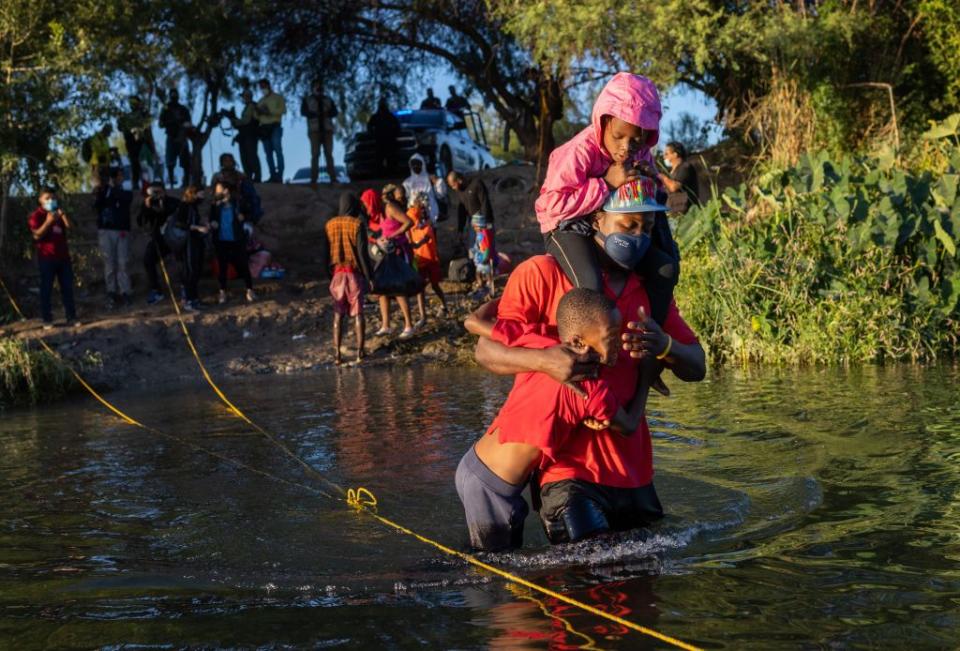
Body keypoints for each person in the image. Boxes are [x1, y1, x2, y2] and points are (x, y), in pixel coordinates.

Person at [469, 203, 705, 545]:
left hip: (634, 471)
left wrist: (665, 345)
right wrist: (545, 362)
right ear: (597, 218)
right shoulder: (543, 273)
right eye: (628, 224)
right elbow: (485, 350)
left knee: (644, 587)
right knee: (587, 585)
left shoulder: (651, 294)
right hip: (568, 474)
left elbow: (697, 366)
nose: (637, 237)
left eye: (647, 228)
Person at [457, 289, 649, 551]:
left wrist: (505, 301)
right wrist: (647, 377)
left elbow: (473, 322)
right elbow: (627, 426)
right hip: (489, 484)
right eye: (611, 338)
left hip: (483, 467)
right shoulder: (587, 389)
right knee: (493, 570)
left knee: (507, 562)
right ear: (580, 343)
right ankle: (412, 577)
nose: (619, 346)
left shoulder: (543, 344)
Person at [325, 192, 375, 365]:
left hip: (337, 275)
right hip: (353, 275)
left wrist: (328, 275)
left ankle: (337, 355)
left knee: (338, 315)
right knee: (358, 314)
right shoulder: (357, 224)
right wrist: (370, 276)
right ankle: (360, 353)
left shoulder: (330, 225)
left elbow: (326, 253)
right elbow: (362, 254)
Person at [28, 189, 78, 329]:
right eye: (47, 198)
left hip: (63, 258)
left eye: (53, 198)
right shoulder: (37, 216)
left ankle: (71, 317)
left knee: (67, 288)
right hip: (47, 258)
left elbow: (71, 228)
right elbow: (36, 235)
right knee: (46, 289)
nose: (51, 201)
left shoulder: (58, 214)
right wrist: (48, 222)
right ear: (40, 200)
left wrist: (63, 216)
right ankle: (47, 319)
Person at [375, 183, 416, 339]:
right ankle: (386, 325)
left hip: (399, 250)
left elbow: (409, 222)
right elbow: (384, 229)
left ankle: (408, 325)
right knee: (383, 290)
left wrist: (393, 236)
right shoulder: (384, 210)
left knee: (398, 289)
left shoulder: (391, 207)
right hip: (388, 252)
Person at [209, 181, 255, 304]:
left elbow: (250, 213)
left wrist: (243, 217)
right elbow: (211, 218)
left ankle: (249, 290)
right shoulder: (215, 204)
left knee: (243, 265)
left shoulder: (238, 202)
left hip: (237, 239)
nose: (217, 192)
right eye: (217, 190)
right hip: (221, 240)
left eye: (219, 189)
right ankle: (222, 292)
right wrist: (213, 223)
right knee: (222, 268)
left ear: (226, 190)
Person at [92, 167, 133, 308]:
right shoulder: (102, 191)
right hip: (106, 230)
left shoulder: (124, 190)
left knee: (123, 263)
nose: (121, 178)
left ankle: (125, 292)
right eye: (118, 176)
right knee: (109, 263)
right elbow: (97, 205)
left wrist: (112, 188)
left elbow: (127, 199)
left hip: (122, 230)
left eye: (122, 176)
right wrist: (104, 190)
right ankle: (111, 292)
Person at [407, 191, 448, 326]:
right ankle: (423, 316)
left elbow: (426, 227)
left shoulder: (424, 217)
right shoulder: (412, 214)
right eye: (422, 204)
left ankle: (443, 306)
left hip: (429, 255)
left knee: (434, 285)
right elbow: (414, 229)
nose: (423, 206)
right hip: (420, 257)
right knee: (421, 288)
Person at [137, 181, 180, 304]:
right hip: (158, 239)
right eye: (153, 192)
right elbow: (141, 222)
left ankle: (185, 289)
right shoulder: (148, 204)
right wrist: (146, 208)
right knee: (148, 259)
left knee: (182, 260)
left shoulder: (173, 202)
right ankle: (156, 290)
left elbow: (177, 215)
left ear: (164, 191)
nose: (156, 194)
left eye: (158, 191)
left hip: (174, 238)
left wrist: (163, 205)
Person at [174, 185, 209, 311]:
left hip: (195, 241)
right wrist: (197, 227)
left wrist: (203, 225)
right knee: (190, 270)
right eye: (201, 194)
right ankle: (188, 301)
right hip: (187, 243)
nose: (202, 197)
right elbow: (180, 223)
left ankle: (194, 299)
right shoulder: (184, 205)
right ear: (193, 194)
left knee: (197, 270)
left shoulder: (193, 207)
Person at [301, 80, 338, 186]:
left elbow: (335, 112)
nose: (319, 88)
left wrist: (327, 113)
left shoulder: (328, 99)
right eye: (317, 86)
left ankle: (333, 178)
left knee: (329, 154)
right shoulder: (307, 100)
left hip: (327, 130)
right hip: (314, 130)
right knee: (315, 154)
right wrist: (314, 114)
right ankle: (314, 179)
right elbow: (303, 112)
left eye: (320, 87)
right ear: (313, 88)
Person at [117, 95, 154, 190]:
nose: (133, 104)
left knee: (143, 162)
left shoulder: (143, 114)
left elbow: (149, 122)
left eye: (134, 102)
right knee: (135, 163)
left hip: (142, 142)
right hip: (131, 142)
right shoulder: (126, 117)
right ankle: (136, 183)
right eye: (131, 103)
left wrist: (140, 128)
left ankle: (146, 183)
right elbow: (120, 128)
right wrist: (120, 119)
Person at [446, 170, 494, 242]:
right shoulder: (460, 191)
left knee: (486, 249)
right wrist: (460, 230)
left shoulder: (476, 184)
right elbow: (462, 210)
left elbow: (485, 203)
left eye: (453, 185)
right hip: (472, 222)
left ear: (459, 180)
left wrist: (487, 222)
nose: (453, 188)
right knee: (472, 247)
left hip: (483, 219)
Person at [159, 88, 191, 188]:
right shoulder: (165, 109)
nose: (173, 96)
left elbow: (188, 123)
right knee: (170, 162)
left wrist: (182, 125)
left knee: (185, 161)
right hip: (171, 136)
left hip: (182, 137)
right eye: (172, 94)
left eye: (175, 94)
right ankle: (172, 182)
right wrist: (170, 122)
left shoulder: (183, 109)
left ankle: (186, 182)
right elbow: (160, 124)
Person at [256, 78, 286, 183]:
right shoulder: (260, 101)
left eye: (264, 86)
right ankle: (272, 175)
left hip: (275, 126)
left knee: (278, 151)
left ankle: (279, 176)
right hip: (264, 128)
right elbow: (257, 116)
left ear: (269, 85)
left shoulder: (278, 97)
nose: (263, 88)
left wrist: (269, 111)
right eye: (261, 87)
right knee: (268, 153)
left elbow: (283, 110)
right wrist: (259, 112)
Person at [402, 153, 446, 225]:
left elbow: (440, 195)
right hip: (415, 217)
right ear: (410, 166)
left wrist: (438, 182)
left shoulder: (430, 178)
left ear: (423, 164)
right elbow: (405, 199)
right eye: (413, 164)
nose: (416, 166)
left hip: (431, 216)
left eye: (418, 164)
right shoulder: (407, 182)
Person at [658, 141, 700, 214]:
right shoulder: (671, 173)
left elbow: (674, 187)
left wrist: (662, 177)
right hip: (673, 213)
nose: (664, 157)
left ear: (675, 154)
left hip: (687, 214)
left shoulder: (685, 167)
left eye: (667, 154)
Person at [230, 89, 261, 183]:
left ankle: (256, 177)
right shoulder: (247, 107)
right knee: (245, 157)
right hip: (244, 135)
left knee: (251, 156)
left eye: (243, 96)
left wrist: (234, 120)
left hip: (250, 135)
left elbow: (246, 121)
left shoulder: (252, 106)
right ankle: (249, 177)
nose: (242, 98)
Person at [367, 98, 401, 176]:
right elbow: (369, 126)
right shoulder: (376, 117)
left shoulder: (390, 117)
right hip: (380, 141)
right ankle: (381, 174)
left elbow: (397, 127)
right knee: (379, 160)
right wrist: (373, 135)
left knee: (390, 159)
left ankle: (390, 174)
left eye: (383, 103)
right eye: (381, 103)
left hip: (389, 141)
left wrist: (394, 134)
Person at [470, 213, 496, 297]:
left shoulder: (483, 235)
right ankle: (487, 289)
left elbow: (486, 247)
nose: (474, 228)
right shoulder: (482, 234)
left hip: (483, 258)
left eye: (475, 226)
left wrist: (485, 257)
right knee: (483, 274)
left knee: (481, 274)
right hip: (481, 257)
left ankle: (485, 290)